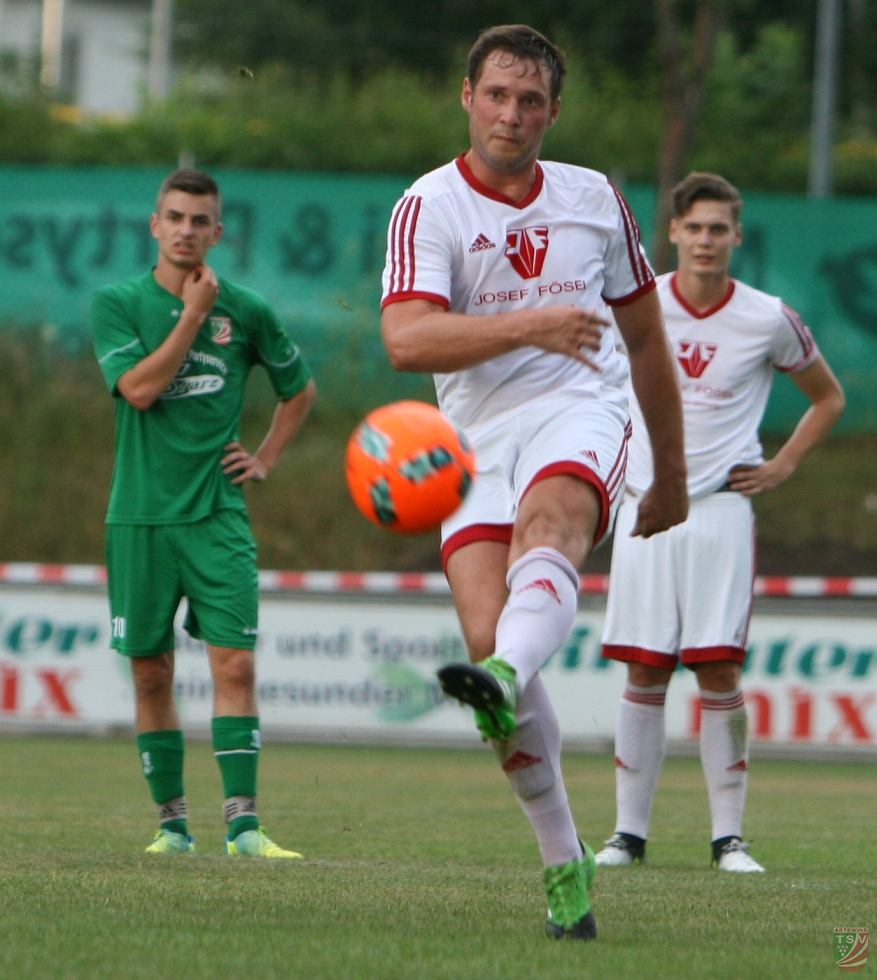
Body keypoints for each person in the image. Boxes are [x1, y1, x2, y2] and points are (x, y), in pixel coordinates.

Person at [380, 25, 688, 940]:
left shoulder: (594, 198)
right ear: (466, 95)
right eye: (497, 94)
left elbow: (642, 341)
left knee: (547, 528)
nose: (512, 113)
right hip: (467, 445)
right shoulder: (427, 205)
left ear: (552, 111)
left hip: (579, 413)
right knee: (485, 625)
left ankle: (508, 670)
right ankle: (563, 863)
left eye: (530, 100)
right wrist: (529, 326)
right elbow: (405, 339)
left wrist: (668, 474)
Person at [596, 172, 845, 873]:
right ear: (671, 232)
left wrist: (782, 465)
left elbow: (827, 398)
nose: (705, 241)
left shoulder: (767, 317)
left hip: (719, 510)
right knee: (643, 671)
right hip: (645, 507)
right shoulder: (634, 310)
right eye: (694, 228)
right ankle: (626, 836)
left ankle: (727, 838)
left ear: (737, 236)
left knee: (717, 668)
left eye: (718, 229)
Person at [90, 168, 316, 857]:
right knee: (151, 671)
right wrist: (192, 316)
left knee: (236, 668)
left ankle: (244, 826)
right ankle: (173, 826)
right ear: (154, 226)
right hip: (141, 517)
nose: (187, 230)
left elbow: (298, 389)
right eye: (175, 217)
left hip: (218, 514)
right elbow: (137, 390)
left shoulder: (246, 310)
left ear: (218, 233)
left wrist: (267, 457)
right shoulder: (117, 303)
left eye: (200, 221)